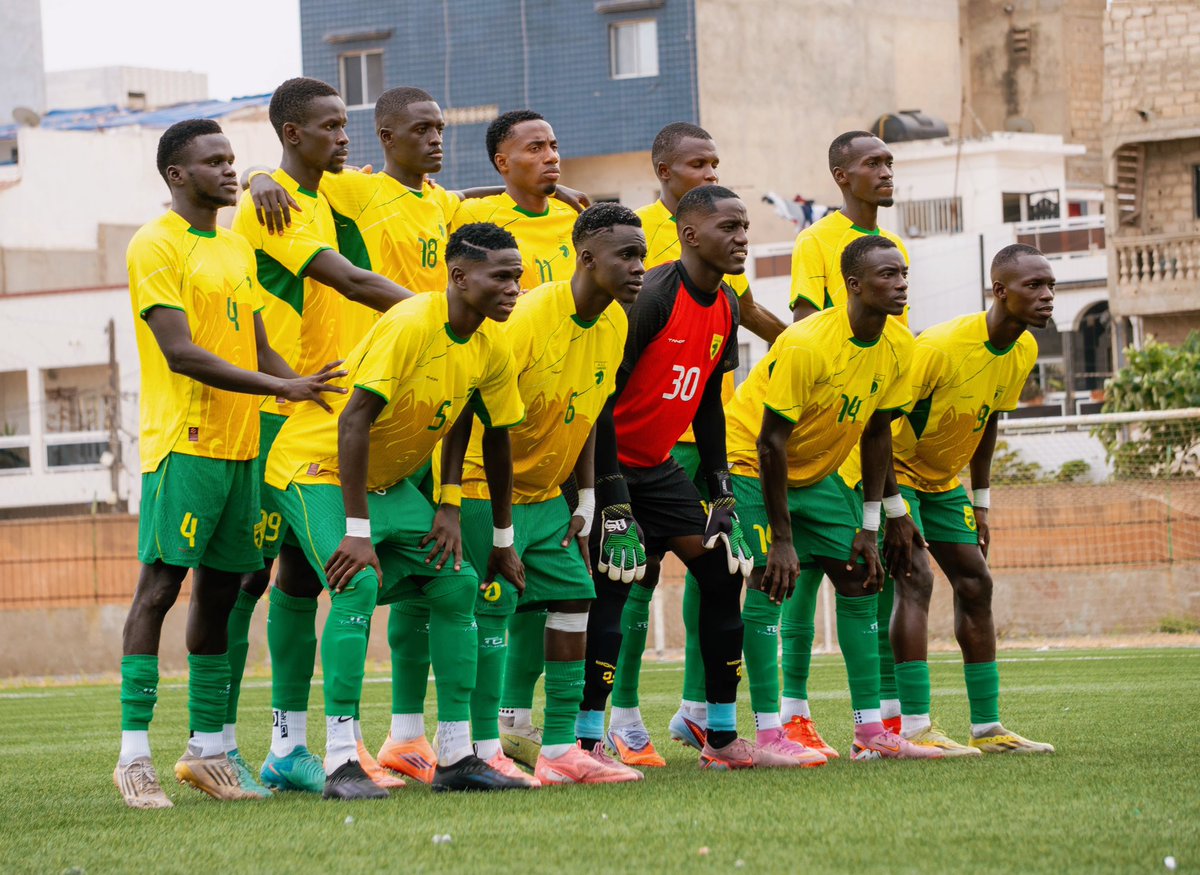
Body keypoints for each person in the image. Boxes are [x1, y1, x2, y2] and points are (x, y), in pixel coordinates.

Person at [115, 119, 343, 808]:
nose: (228, 171)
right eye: (213, 162)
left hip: (246, 447)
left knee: (221, 594)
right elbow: (181, 351)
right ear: (176, 175)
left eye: (232, 161)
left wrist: (309, 391)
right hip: (182, 443)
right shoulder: (153, 244)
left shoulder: (237, 247)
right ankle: (133, 757)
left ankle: (209, 751)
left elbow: (260, 349)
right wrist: (280, 387)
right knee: (157, 591)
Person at [262, 222, 531, 798]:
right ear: (458, 277)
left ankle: (456, 756)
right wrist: (358, 532)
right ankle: (341, 761)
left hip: (383, 480)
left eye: (519, 276)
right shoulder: (410, 322)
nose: (514, 288)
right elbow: (352, 420)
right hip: (316, 465)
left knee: (457, 581)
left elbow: (481, 424)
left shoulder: (490, 341)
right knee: (354, 583)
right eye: (501, 276)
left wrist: (460, 509)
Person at [226, 76, 412, 795]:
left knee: (302, 579)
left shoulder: (321, 193)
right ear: (295, 133)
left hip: (317, 409)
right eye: (332, 126)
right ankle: (218, 742)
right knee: (244, 582)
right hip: (277, 412)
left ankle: (288, 748)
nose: (346, 137)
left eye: (347, 124)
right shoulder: (273, 205)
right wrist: (440, 313)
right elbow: (353, 281)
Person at [436, 202, 648, 786]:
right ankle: (481, 746)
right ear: (586, 257)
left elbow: (588, 411)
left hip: (546, 496)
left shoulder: (614, 323)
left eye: (642, 257)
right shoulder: (525, 318)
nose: (638, 268)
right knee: (493, 609)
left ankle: (558, 749)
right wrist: (451, 499)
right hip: (484, 486)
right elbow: (464, 411)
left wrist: (585, 501)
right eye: (626, 256)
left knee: (576, 595)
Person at [579, 184, 790, 771]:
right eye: (730, 227)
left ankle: (719, 738)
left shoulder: (725, 302)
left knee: (724, 572)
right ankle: (588, 742)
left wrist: (720, 491)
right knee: (615, 588)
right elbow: (601, 400)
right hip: (606, 467)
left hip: (661, 469)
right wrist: (613, 497)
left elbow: (708, 404)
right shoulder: (650, 296)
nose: (742, 237)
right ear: (690, 234)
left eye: (746, 226)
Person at [726, 235, 940, 761]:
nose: (900, 284)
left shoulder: (898, 344)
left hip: (817, 472)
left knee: (860, 575)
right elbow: (769, 442)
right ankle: (772, 734)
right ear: (853, 285)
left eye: (903, 274)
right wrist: (781, 539)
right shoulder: (806, 343)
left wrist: (878, 521)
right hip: (753, 464)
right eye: (887, 275)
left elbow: (877, 433)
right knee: (769, 584)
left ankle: (871, 734)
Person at [860, 243, 1056, 755]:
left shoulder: (1025, 349)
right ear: (999, 291)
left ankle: (988, 728)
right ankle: (914, 728)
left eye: (1049, 286)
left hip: (944, 483)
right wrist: (894, 510)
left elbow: (989, 419)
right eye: (1033, 286)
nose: (1047, 296)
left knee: (976, 580)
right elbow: (876, 425)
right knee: (915, 578)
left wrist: (982, 500)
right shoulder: (941, 347)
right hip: (891, 475)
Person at [778, 131, 910, 755]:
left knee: (868, 579)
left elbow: (888, 355)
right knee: (798, 580)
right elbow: (807, 332)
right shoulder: (816, 241)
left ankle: (882, 721)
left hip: (868, 441)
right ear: (840, 175)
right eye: (873, 163)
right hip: (815, 444)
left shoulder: (893, 248)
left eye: (889, 161)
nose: (886, 171)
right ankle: (793, 713)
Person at [451, 110, 580, 292]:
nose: (552, 157)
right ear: (502, 162)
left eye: (554, 146)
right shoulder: (472, 215)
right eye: (535, 148)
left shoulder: (574, 214)